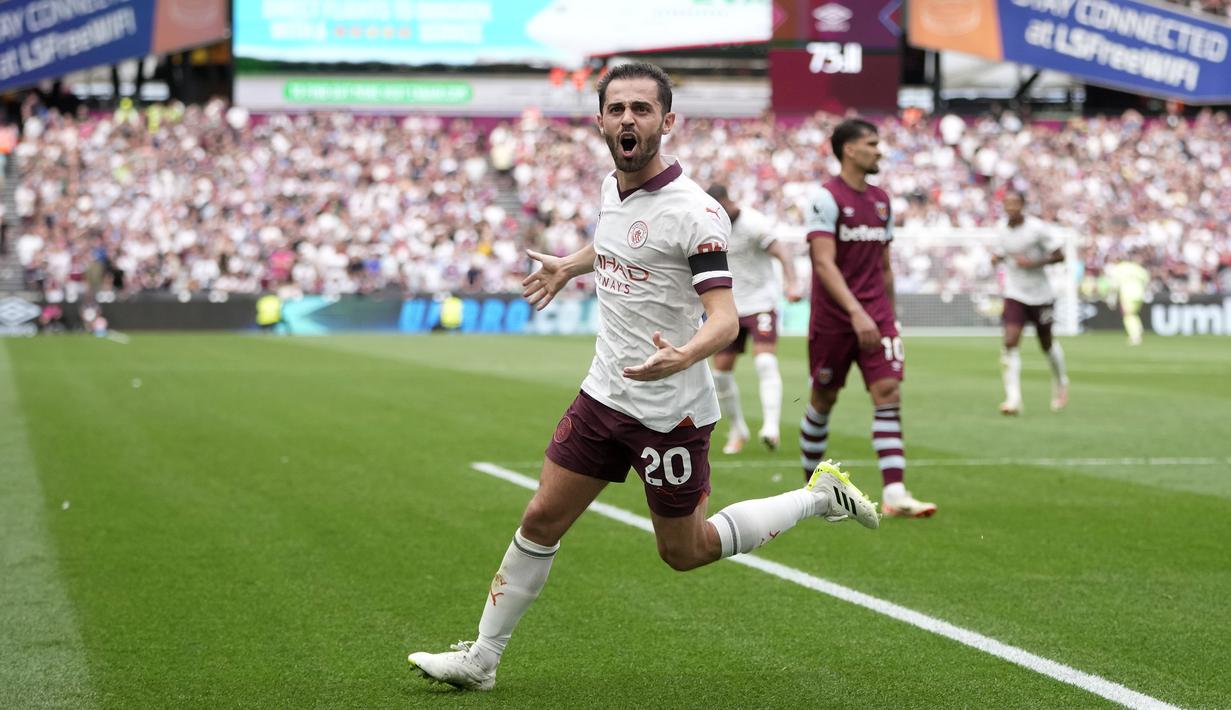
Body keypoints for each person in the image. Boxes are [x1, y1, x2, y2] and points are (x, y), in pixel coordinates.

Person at [407, 62, 879, 693]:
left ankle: (820, 496)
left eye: (642, 109)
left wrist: (684, 356)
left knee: (684, 551)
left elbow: (725, 319)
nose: (628, 119)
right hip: (604, 394)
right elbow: (618, 244)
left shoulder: (698, 213)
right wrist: (571, 267)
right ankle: (483, 658)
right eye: (617, 108)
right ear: (602, 120)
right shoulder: (612, 187)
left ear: (667, 121)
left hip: (671, 412)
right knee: (541, 517)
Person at [799, 118, 937, 519]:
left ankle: (895, 493)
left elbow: (885, 264)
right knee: (823, 399)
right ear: (849, 150)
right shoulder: (825, 198)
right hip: (835, 319)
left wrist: (888, 317)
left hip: (876, 315)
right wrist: (856, 312)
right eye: (872, 144)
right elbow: (823, 263)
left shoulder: (881, 200)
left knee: (889, 393)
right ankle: (811, 490)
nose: (880, 150)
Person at [704, 184, 803, 454]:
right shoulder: (711, 225)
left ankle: (771, 427)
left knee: (765, 362)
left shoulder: (754, 222)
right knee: (721, 374)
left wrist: (793, 283)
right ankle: (738, 430)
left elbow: (781, 251)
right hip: (730, 307)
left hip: (761, 302)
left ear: (728, 200)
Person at [991, 190, 1069, 414]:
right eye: (1007, 204)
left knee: (1046, 343)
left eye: (1015, 203)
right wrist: (996, 258)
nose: (1011, 208)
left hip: (1041, 295)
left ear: (1023, 205)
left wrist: (1035, 262)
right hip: (1015, 293)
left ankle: (1061, 381)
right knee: (1010, 341)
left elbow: (1059, 254)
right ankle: (1013, 399)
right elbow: (1001, 254)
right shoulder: (1001, 230)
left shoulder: (1037, 229)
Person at [1106, 251, 1150, 346]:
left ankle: (1135, 335)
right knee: (1133, 314)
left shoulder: (1118, 269)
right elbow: (1146, 278)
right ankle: (1138, 328)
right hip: (1140, 294)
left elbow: (1113, 285)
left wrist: (1111, 298)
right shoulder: (1136, 267)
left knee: (1128, 315)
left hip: (1127, 294)